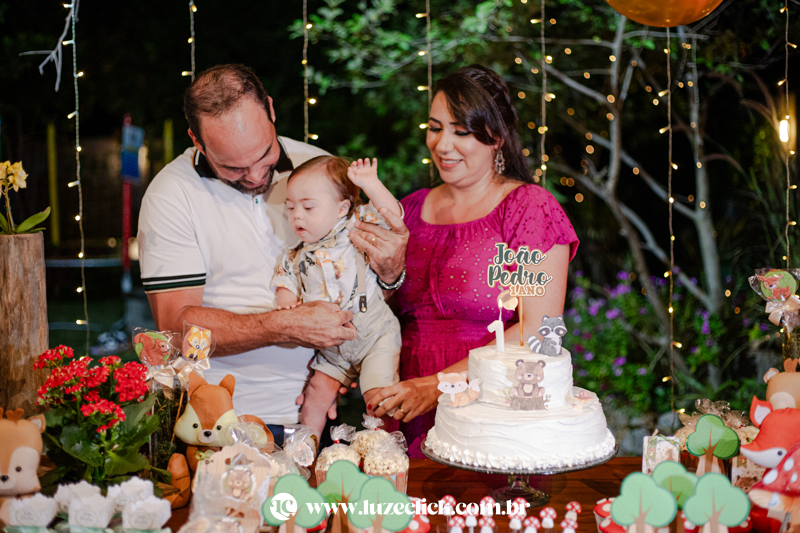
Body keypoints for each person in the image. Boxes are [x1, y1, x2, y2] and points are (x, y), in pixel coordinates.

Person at [137, 64, 408, 432]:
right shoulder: (171, 194)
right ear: (197, 141)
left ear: (270, 109)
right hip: (213, 419)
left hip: (313, 413)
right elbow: (175, 330)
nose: (254, 175)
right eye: (233, 167)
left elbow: (365, 289)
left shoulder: (321, 170)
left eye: (263, 154)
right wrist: (283, 325)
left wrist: (391, 274)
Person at [365, 64, 580, 456]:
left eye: (461, 131)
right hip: (406, 401)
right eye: (435, 128)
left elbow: (538, 329)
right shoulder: (407, 210)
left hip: (490, 408)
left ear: (496, 136)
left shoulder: (528, 209)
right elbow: (380, 314)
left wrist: (438, 385)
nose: (442, 144)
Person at [271, 156, 403, 440]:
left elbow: (392, 214)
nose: (297, 216)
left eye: (308, 207)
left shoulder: (355, 226)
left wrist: (370, 183)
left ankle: (381, 447)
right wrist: (286, 303)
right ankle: (304, 448)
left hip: (374, 334)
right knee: (316, 393)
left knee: (378, 394)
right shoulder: (294, 255)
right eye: (291, 207)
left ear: (342, 208)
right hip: (332, 349)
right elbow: (285, 281)